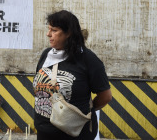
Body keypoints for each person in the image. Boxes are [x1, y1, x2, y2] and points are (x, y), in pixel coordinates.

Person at [33, 10, 112, 140]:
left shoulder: (88, 59)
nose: (48, 34)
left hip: (75, 134)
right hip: (44, 132)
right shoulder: (46, 55)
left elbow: (105, 96)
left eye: (54, 30)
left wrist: (84, 111)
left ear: (68, 33)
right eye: (48, 29)